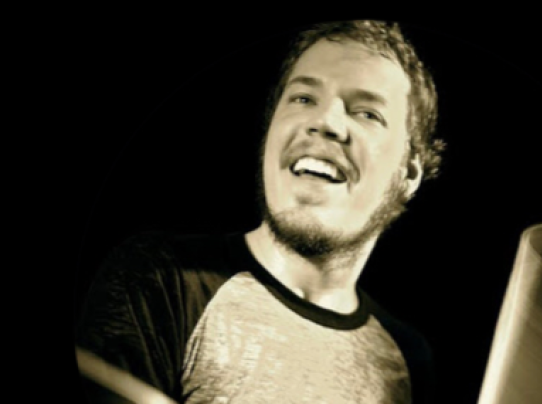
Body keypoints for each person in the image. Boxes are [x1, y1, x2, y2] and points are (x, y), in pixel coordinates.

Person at [76, 20, 446, 404]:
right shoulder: (160, 277)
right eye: (303, 98)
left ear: (409, 174)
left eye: (367, 113)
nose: (325, 122)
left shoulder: (408, 359)